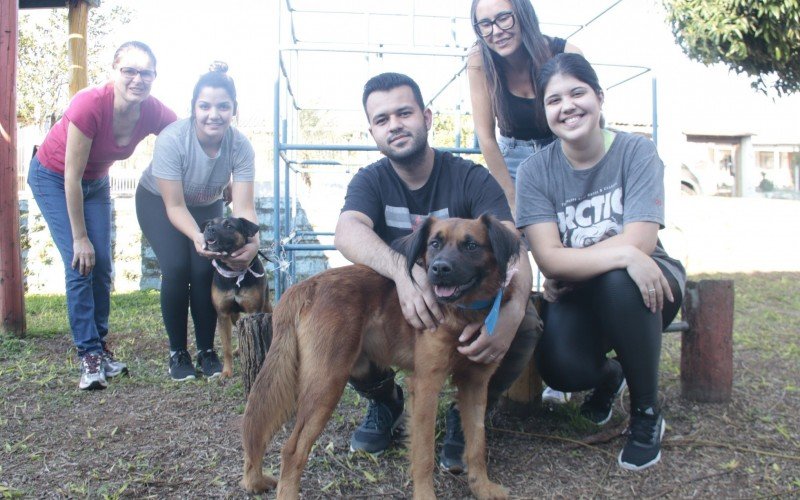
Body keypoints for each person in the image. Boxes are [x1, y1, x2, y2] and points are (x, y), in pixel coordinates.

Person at [335, 72, 540, 473]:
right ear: (373, 131)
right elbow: (347, 232)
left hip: (466, 307)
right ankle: (385, 401)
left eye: (404, 112)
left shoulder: (468, 176)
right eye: (381, 119)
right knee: (350, 320)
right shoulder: (371, 180)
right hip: (403, 312)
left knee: (528, 324)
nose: (394, 125)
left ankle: (463, 416)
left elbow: (514, 249)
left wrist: (511, 316)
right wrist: (403, 274)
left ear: (427, 117)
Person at [515, 53, 686, 471]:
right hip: (578, 290)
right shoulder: (535, 172)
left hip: (647, 283)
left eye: (578, 92)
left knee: (620, 279)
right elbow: (549, 259)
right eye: (554, 100)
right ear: (544, 112)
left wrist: (619, 255)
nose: (567, 106)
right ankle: (610, 377)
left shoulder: (636, 152)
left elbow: (642, 241)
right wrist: (619, 250)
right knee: (561, 369)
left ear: (599, 97)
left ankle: (646, 413)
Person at [27, 41, 176, 391]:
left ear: (154, 77)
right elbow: (71, 177)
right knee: (80, 261)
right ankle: (89, 355)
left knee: (104, 262)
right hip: (54, 177)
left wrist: (226, 173)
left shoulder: (152, 111)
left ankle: (101, 346)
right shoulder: (90, 104)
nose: (137, 79)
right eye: (129, 71)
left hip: (96, 183)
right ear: (114, 70)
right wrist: (80, 237)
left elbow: (187, 135)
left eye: (146, 73)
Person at [136, 62, 259, 381]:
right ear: (193, 108)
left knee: (206, 269)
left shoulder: (241, 145)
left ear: (234, 109)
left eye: (223, 106)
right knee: (178, 268)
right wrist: (197, 237)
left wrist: (253, 243)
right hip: (159, 202)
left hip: (209, 204)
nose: (213, 114)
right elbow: (174, 205)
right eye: (204, 106)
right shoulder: (172, 139)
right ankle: (178, 353)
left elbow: (244, 206)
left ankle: (207, 351)